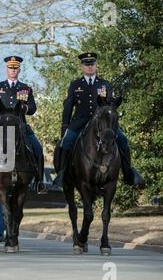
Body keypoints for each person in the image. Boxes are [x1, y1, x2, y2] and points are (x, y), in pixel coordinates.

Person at [53, 52, 144, 187]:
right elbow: (68, 106)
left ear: (96, 66)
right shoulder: (75, 84)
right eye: (87, 64)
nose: (90, 67)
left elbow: (110, 105)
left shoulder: (104, 84)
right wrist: (65, 126)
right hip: (80, 121)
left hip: (103, 123)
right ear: (82, 66)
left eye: (92, 64)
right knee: (65, 143)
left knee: (123, 140)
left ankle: (128, 173)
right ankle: (63, 175)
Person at [0, 55, 45, 192]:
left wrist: (25, 108)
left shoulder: (26, 88)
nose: (13, 70)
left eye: (16, 68)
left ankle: (39, 181)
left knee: (38, 149)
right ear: (6, 69)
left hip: (20, 126)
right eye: (11, 68)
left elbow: (33, 108)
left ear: (19, 70)